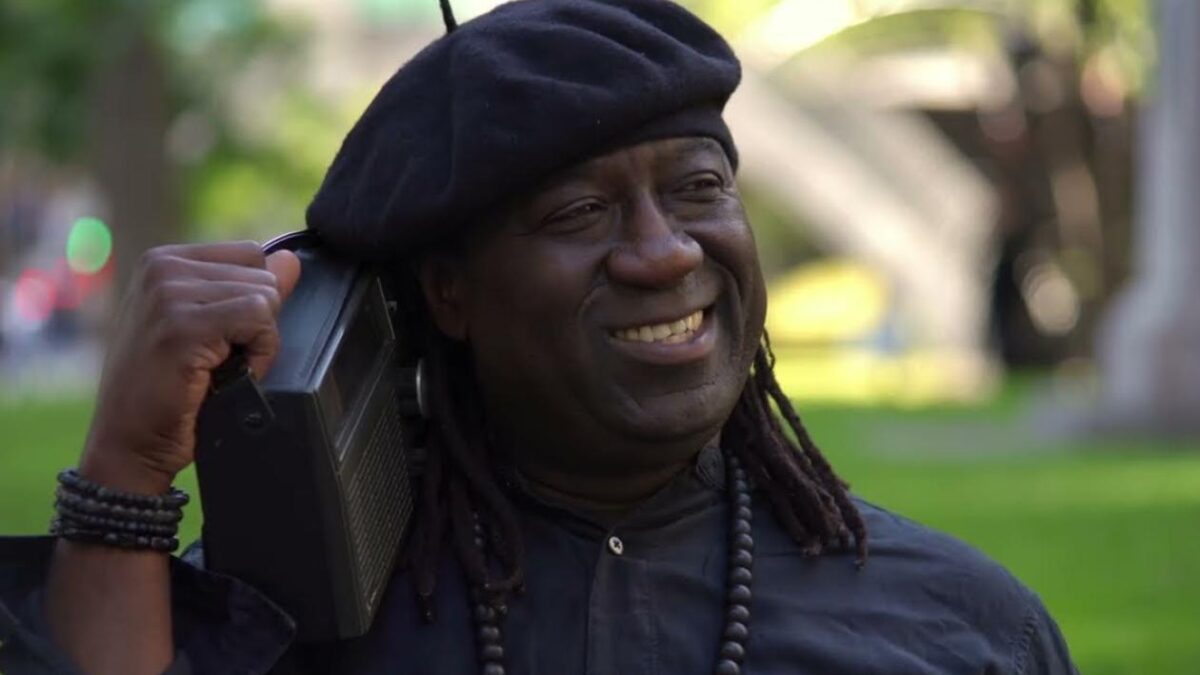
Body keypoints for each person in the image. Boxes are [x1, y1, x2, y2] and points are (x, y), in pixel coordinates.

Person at [0, 0, 1079, 673]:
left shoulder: (960, 628)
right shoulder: (280, 626)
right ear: (449, 295)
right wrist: (127, 471)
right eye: (579, 213)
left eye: (698, 189)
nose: (663, 252)